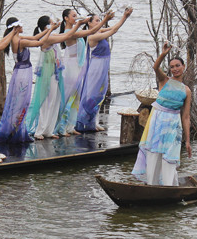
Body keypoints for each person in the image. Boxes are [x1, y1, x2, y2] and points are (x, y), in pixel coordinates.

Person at [131, 42, 192, 186]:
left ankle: (169, 185)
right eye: (172, 67)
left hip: (173, 124)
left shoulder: (186, 90)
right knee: (153, 153)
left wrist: (188, 141)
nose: (175, 69)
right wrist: (164, 53)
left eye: (178, 66)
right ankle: (152, 185)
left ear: (183, 66)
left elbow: (186, 117)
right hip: (157, 120)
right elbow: (155, 67)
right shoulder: (164, 80)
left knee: (170, 155)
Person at [0, 17, 57, 144]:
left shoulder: (17, 38)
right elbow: (39, 43)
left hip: (22, 71)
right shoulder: (20, 41)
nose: (22, 26)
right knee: (21, 102)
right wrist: (50, 31)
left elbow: (35, 38)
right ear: (16, 28)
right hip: (22, 73)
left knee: (20, 102)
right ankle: (15, 131)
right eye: (20, 25)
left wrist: (49, 29)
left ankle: (17, 130)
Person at [25, 15, 86, 140]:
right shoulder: (47, 38)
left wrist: (72, 26)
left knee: (55, 101)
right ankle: (39, 130)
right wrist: (78, 25)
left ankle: (49, 130)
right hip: (48, 73)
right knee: (46, 101)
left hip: (55, 72)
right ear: (46, 26)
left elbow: (64, 35)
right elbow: (66, 36)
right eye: (51, 23)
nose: (54, 24)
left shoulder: (51, 35)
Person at [75, 7, 133, 133]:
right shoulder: (92, 37)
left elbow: (114, 28)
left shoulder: (99, 30)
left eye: (99, 20)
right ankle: (83, 121)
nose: (99, 22)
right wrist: (124, 16)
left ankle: (92, 121)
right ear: (89, 23)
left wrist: (124, 18)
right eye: (96, 20)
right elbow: (113, 31)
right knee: (92, 94)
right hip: (96, 66)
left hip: (103, 66)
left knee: (100, 94)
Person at [55, 8, 112, 136]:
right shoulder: (69, 32)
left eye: (77, 15)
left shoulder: (77, 31)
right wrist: (104, 20)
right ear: (66, 18)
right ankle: (61, 126)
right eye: (73, 16)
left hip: (79, 66)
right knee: (68, 96)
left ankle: (71, 125)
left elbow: (96, 30)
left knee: (77, 97)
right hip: (71, 66)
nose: (76, 17)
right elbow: (91, 31)